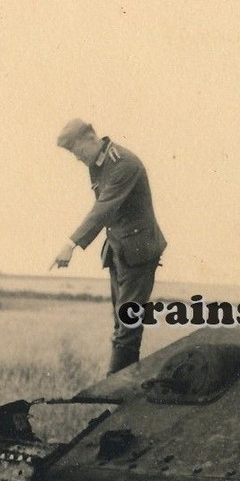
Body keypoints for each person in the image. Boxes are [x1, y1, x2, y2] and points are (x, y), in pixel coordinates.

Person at [53, 119, 167, 375]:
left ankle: (115, 386)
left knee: (127, 321)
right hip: (119, 250)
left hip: (139, 252)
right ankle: (123, 382)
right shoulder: (99, 163)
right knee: (122, 320)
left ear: (91, 138)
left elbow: (103, 208)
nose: (77, 158)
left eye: (77, 151)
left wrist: (72, 243)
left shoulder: (123, 164)